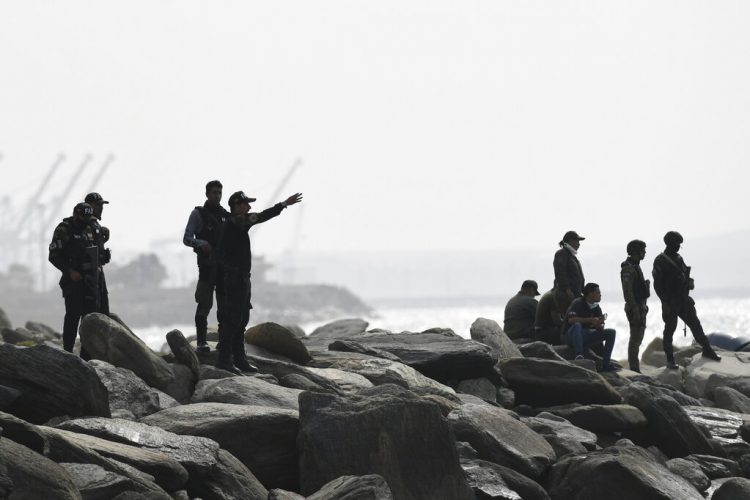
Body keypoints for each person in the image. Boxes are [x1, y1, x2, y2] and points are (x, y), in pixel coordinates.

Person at [217, 190, 303, 374]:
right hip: (235, 279)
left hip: (242, 278)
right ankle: (224, 359)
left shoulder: (237, 224)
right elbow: (261, 216)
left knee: (241, 320)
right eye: (246, 204)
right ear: (237, 206)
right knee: (233, 320)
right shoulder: (235, 221)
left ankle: (239, 359)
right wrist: (282, 204)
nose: (249, 207)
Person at [653, 231, 721, 368]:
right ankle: (670, 360)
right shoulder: (660, 260)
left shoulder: (679, 258)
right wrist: (664, 302)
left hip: (683, 299)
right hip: (670, 301)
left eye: (679, 245)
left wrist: (689, 282)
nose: (678, 247)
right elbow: (657, 284)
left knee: (695, 324)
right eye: (676, 244)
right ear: (669, 244)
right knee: (670, 330)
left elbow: (684, 275)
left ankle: (707, 349)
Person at [48, 203, 104, 358]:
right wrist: (69, 271)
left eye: (87, 218)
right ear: (75, 214)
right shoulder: (64, 229)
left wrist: (100, 260)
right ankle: (67, 351)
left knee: (89, 320)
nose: (85, 221)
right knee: (73, 316)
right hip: (73, 281)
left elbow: (94, 251)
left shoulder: (89, 228)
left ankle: (86, 355)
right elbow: (53, 255)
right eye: (82, 217)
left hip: (90, 281)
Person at [183, 180, 229, 353]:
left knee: (224, 306)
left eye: (219, 192)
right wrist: (202, 243)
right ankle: (202, 341)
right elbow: (187, 238)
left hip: (223, 268)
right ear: (207, 194)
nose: (217, 195)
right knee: (204, 304)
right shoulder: (198, 214)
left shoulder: (225, 214)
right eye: (214, 192)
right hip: (207, 267)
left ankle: (223, 341)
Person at [562, 282, 618, 371]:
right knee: (577, 325)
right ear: (591, 293)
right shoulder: (578, 303)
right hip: (570, 335)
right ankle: (579, 356)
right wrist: (591, 320)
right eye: (598, 293)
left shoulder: (596, 307)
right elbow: (571, 320)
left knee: (611, 332)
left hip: (584, 335)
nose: (600, 295)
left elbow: (600, 328)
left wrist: (599, 325)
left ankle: (606, 364)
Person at [620, 239, 650, 372]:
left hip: (640, 305)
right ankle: (634, 367)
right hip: (635, 307)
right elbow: (628, 291)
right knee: (635, 338)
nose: (645, 253)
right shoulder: (628, 268)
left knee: (638, 337)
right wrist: (635, 308)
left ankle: (635, 366)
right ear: (637, 252)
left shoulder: (636, 265)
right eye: (643, 250)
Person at [84, 192, 112, 315]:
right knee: (91, 311)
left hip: (98, 271)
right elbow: (83, 247)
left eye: (102, 205)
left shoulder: (95, 224)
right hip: (89, 275)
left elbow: (95, 245)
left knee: (103, 310)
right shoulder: (83, 224)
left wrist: (103, 238)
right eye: (98, 205)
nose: (101, 208)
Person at [553, 231, 585, 314]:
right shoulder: (561, 254)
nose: (579, 244)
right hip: (566, 296)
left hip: (575, 295)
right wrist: (567, 289)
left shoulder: (572, 256)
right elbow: (560, 273)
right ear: (571, 241)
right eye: (577, 241)